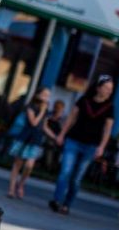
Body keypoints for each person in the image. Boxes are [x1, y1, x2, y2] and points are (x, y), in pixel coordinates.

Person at [49, 74, 115, 214]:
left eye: (111, 89)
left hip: (91, 146)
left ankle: (67, 204)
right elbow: (71, 118)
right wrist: (61, 134)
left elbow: (107, 129)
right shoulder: (84, 100)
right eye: (106, 88)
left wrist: (102, 147)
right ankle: (56, 200)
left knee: (76, 178)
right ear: (98, 87)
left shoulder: (109, 107)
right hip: (73, 140)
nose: (109, 91)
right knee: (65, 171)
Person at [7, 87, 51, 199]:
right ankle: (11, 189)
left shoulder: (46, 111)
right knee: (17, 164)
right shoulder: (30, 107)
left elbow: (44, 126)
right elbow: (34, 123)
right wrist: (42, 111)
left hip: (35, 140)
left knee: (29, 166)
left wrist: (55, 137)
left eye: (48, 96)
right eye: (44, 94)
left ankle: (21, 184)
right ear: (38, 95)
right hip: (24, 138)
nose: (47, 97)